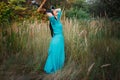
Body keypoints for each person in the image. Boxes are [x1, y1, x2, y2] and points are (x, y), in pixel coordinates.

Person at [44, 7, 65, 74]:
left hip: (60, 39)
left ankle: (58, 67)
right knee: (54, 53)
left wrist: (54, 10)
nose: (56, 12)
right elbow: (48, 13)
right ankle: (51, 68)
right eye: (54, 11)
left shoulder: (57, 19)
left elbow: (60, 9)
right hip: (56, 39)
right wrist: (50, 11)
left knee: (59, 53)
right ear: (52, 13)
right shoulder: (53, 20)